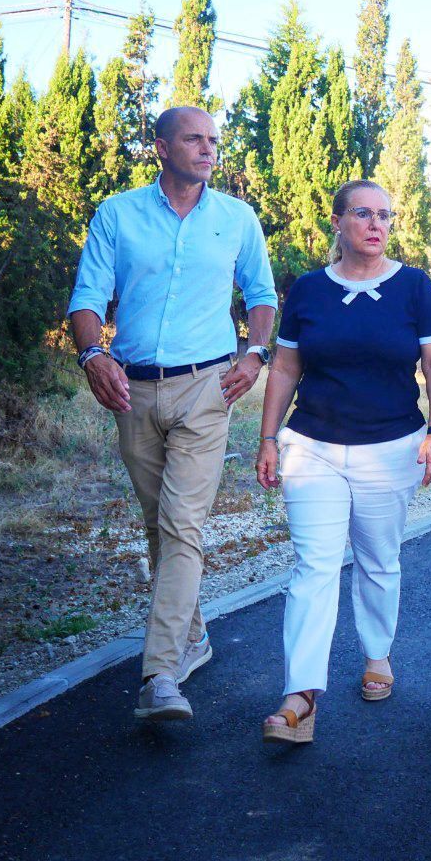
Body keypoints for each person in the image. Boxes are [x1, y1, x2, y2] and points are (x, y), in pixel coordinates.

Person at [68, 105, 277, 723]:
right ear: (159, 146)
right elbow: (86, 297)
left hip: (208, 390)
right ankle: (193, 636)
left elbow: (261, 295)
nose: (208, 149)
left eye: (213, 140)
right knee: (160, 524)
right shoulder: (118, 214)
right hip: (131, 391)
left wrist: (256, 353)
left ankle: (160, 676)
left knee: (183, 525)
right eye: (194, 138)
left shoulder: (238, 219)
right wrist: (91, 356)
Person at [253, 180, 431, 744]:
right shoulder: (311, 291)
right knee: (313, 567)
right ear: (337, 221)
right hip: (312, 446)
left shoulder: (414, 286)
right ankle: (300, 696)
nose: (376, 224)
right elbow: (286, 368)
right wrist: (269, 437)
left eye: (385, 215)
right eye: (363, 213)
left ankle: (378, 653)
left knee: (377, 559)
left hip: (391, 448)